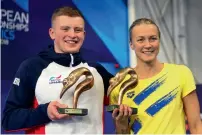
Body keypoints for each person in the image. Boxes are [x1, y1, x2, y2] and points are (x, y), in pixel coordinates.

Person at [2, 6, 113, 134]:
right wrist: (45, 112)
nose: (72, 35)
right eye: (65, 29)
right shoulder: (32, 67)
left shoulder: (97, 71)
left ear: (84, 34)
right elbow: (9, 119)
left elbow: (119, 103)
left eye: (78, 30)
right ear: (52, 33)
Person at [109, 18, 202, 134]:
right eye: (140, 40)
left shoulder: (181, 73)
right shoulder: (120, 85)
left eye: (153, 39)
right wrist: (121, 124)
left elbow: (196, 126)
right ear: (131, 44)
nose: (148, 45)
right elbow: (121, 133)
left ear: (159, 41)